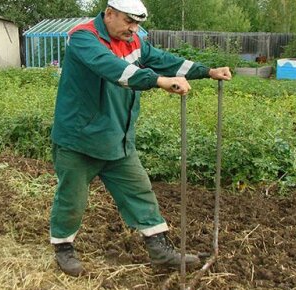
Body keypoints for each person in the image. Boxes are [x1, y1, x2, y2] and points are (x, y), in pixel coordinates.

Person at [50, 0, 232, 277]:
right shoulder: (84, 37)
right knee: (71, 198)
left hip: (118, 138)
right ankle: (64, 249)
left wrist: (207, 71)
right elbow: (113, 69)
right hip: (80, 139)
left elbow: (163, 60)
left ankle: (159, 249)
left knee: (140, 191)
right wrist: (158, 81)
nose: (133, 29)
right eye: (128, 21)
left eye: (137, 24)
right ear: (109, 13)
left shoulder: (133, 41)